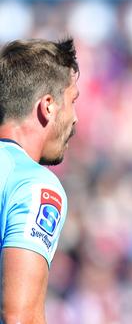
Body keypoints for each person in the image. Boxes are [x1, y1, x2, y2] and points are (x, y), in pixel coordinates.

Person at [0, 38, 80, 323]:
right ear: (48, 106)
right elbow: (21, 316)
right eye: (72, 101)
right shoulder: (34, 186)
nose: (75, 119)